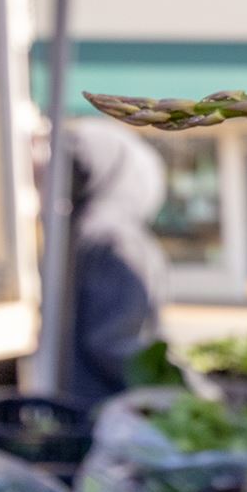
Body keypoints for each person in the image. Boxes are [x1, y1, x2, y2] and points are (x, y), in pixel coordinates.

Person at [61, 118, 169, 404]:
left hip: (73, 402)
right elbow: (117, 343)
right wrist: (182, 387)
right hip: (108, 408)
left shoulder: (73, 231)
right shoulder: (117, 239)